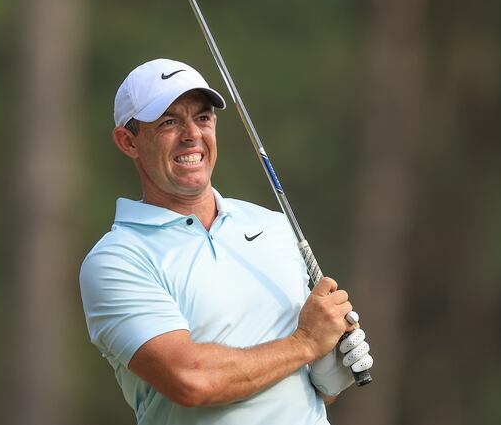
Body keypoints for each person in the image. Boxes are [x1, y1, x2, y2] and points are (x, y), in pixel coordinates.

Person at [79, 58, 373, 425]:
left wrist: (328, 368)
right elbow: (191, 380)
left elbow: (300, 379)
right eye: (169, 122)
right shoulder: (116, 260)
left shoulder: (274, 226)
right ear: (128, 141)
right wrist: (305, 344)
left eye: (202, 118)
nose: (191, 134)